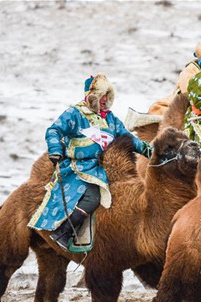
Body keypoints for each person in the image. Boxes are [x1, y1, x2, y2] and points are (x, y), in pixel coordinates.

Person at [28, 74, 153, 250]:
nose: (105, 99)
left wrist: (152, 152)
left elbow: (128, 138)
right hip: (79, 168)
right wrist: (55, 150)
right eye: (102, 95)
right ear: (92, 95)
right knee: (93, 198)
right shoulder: (75, 113)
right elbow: (54, 130)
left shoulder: (110, 119)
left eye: (107, 95)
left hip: (104, 167)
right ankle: (64, 232)